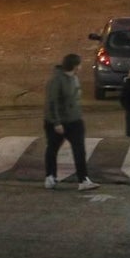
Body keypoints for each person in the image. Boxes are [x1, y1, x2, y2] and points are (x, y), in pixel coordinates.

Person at [43, 53, 98, 191]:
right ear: (74, 66)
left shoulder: (74, 77)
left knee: (79, 150)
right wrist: (56, 122)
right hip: (59, 122)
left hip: (74, 120)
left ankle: (83, 179)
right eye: (79, 64)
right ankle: (50, 176)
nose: (81, 66)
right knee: (53, 148)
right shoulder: (57, 80)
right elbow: (52, 102)